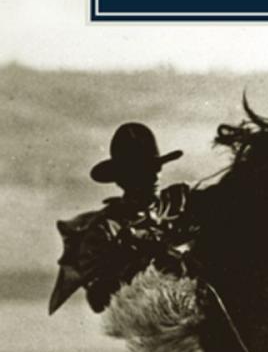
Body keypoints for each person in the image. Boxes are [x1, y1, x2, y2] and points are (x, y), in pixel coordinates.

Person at [49, 122, 197, 315]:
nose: (154, 177)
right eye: (144, 171)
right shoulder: (105, 229)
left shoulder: (180, 204)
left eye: (156, 168)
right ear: (124, 179)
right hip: (151, 327)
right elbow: (98, 300)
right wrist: (135, 260)